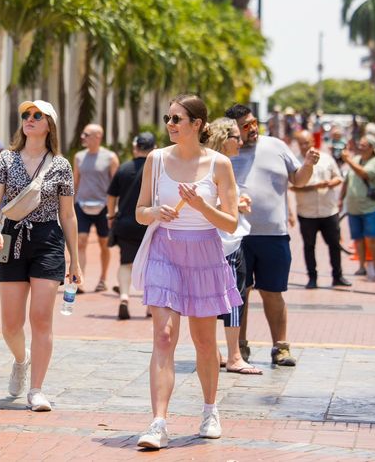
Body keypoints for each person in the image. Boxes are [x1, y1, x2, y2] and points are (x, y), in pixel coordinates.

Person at [134, 95, 242, 449]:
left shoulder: (220, 164)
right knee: (164, 336)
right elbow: (139, 212)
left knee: (204, 340)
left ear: (197, 124)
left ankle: (210, 410)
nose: (171, 124)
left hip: (204, 254)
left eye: (178, 118)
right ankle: (158, 422)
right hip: (165, 249)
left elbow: (230, 223)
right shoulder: (156, 159)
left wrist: (201, 206)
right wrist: (155, 213)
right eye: (168, 118)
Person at [0, 99, 82, 412]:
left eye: (37, 115)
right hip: (10, 237)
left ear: (49, 124)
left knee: (41, 319)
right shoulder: (6, 159)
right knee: (10, 325)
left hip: (47, 239)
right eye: (26, 114)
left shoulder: (61, 165)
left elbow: (68, 215)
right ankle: (21, 359)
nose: (29, 118)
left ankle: (37, 390)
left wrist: (75, 260)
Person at [224, 103, 318, 368]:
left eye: (254, 122)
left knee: (273, 292)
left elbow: (298, 180)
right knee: (238, 294)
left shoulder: (276, 146)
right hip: (237, 236)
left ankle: (281, 347)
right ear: (234, 130)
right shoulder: (226, 152)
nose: (252, 128)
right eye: (245, 126)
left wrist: (308, 165)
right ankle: (238, 348)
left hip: (274, 235)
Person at [205, 117, 261, 375]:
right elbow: (204, 202)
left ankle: (217, 353)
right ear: (224, 138)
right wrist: (235, 206)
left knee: (212, 300)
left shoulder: (206, 162)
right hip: (225, 244)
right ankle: (234, 356)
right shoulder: (218, 163)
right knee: (233, 299)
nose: (240, 141)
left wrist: (238, 202)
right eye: (236, 137)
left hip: (222, 242)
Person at [289, 130, 350, 289]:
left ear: (313, 142)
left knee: (334, 245)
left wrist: (331, 183)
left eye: (306, 142)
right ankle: (312, 278)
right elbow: (292, 186)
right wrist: (313, 187)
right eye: (301, 143)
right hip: (307, 212)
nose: (304, 146)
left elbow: (338, 177)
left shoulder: (326, 158)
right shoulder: (295, 162)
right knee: (309, 246)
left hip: (328, 211)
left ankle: (337, 276)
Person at [106, 132, 155, 320]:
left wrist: (111, 216)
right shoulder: (157, 169)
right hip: (149, 223)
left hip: (125, 223)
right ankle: (150, 306)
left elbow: (111, 196)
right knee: (151, 264)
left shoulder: (124, 168)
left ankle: (124, 297)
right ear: (154, 148)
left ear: (135, 148)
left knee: (126, 263)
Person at [74, 123, 119, 292]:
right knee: (81, 242)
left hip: (103, 207)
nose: (82, 137)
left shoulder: (110, 157)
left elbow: (117, 185)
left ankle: (103, 279)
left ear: (98, 137)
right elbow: (75, 182)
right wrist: (71, 205)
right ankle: (80, 281)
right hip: (82, 204)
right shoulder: (79, 157)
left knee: (104, 244)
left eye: (86, 134)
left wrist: (114, 209)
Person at [340, 135, 375, 278]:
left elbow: (364, 174)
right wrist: (340, 199)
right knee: (358, 239)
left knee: (372, 238)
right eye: (360, 144)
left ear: (372, 148)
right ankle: (361, 266)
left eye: (364, 145)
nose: (360, 147)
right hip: (353, 208)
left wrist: (347, 160)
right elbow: (346, 182)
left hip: (369, 207)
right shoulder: (356, 160)